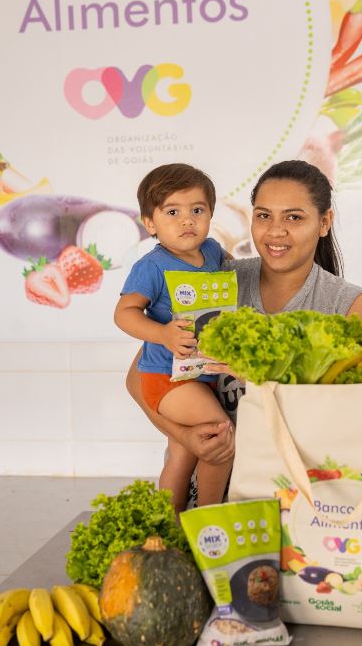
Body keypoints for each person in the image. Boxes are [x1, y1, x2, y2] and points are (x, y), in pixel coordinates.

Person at [125, 160, 362, 487]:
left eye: (294, 217)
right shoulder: (217, 281)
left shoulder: (349, 305)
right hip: (209, 506)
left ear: (324, 222)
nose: (275, 231)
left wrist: (266, 375)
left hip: (301, 498)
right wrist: (184, 437)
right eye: (263, 216)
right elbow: (137, 379)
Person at [114, 163, 233, 513]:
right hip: (166, 378)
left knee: (182, 453)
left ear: (211, 214)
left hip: (199, 374)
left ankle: (170, 524)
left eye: (197, 210)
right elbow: (124, 313)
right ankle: (208, 522)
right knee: (219, 436)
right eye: (172, 212)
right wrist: (162, 334)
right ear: (150, 223)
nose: (186, 221)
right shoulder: (152, 266)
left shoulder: (212, 251)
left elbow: (234, 278)